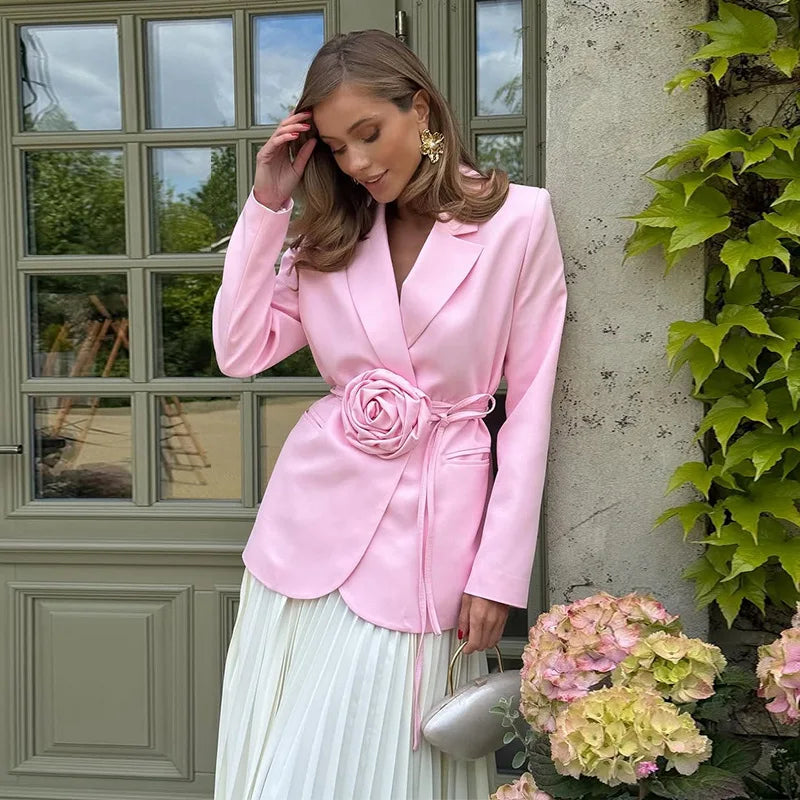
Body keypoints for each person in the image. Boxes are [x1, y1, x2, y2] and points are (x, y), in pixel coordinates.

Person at [212, 28, 567, 800]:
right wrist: (269, 200)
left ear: (422, 108)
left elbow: (530, 405)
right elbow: (239, 349)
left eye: (369, 133)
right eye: (338, 148)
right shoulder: (326, 237)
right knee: (282, 774)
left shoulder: (520, 223)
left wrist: (499, 571)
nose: (359, 163)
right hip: (304, 537)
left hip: (430, 542)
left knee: (380, 771)